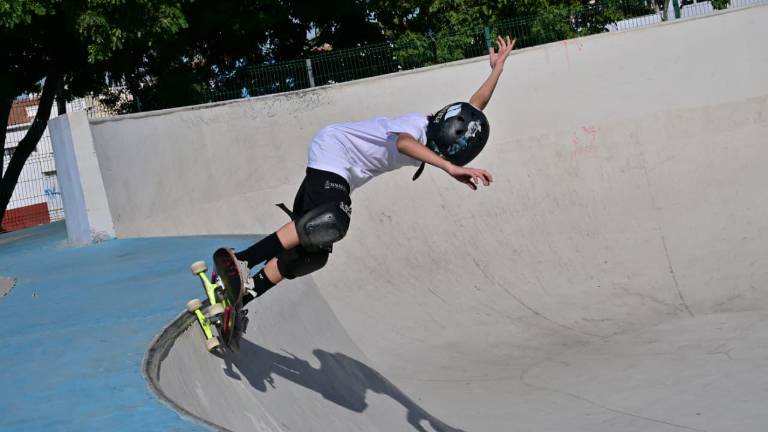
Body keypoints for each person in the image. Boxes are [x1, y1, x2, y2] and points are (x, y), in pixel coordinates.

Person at [222, 36, 516, 306]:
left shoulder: (443, 126)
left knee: (313, 251)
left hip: (341, 173)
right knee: (331, 219)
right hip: (334, 150)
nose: (439, 157)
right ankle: (242, 261)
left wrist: (496, 70)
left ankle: (243, 296)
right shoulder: (416, 127)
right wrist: (449, 168)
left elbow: (473, 108)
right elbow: (403, 143)